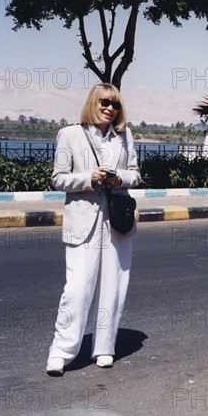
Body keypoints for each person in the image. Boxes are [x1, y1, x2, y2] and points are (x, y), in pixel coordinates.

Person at [46, 83, 142, 376]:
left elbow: (136, 175)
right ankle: (61, 352)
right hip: (83, 223)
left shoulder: (124, 137)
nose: (109, 109)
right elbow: (58, 179)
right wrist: (88, 177)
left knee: (113, 288)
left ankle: (104, 347)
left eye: (115, 105)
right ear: (93, 102)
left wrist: (118, 178)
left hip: (116, 223)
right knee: (76, 290)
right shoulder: (69, 135)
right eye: (104, 102)